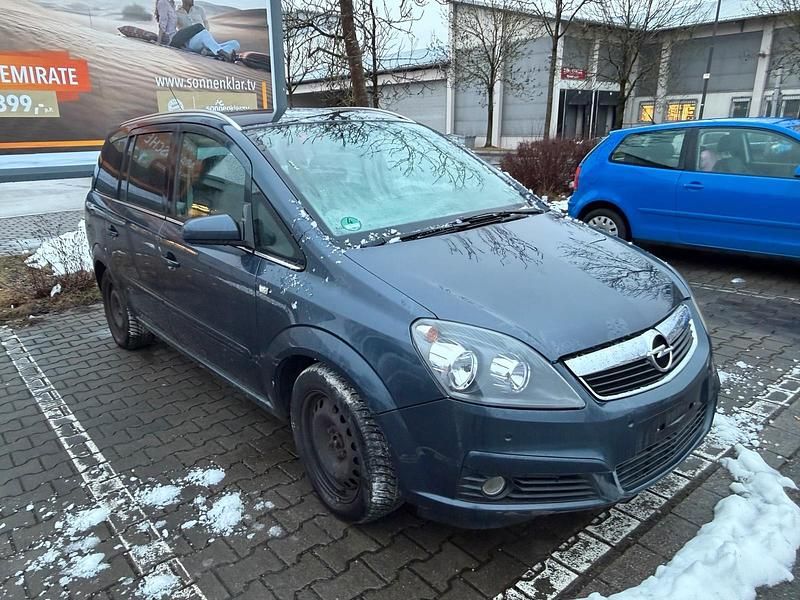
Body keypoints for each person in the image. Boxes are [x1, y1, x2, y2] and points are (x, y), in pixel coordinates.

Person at [154, 0, 240, 62]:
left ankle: (211, 53)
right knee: (201, 30)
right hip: (190, 42)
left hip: (204, 40)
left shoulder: (199, 9)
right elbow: (167, 24)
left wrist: (208, 41)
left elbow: (206, 23)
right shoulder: (177, 13)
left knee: (235, 43)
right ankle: (221, 53)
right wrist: (161, 39)